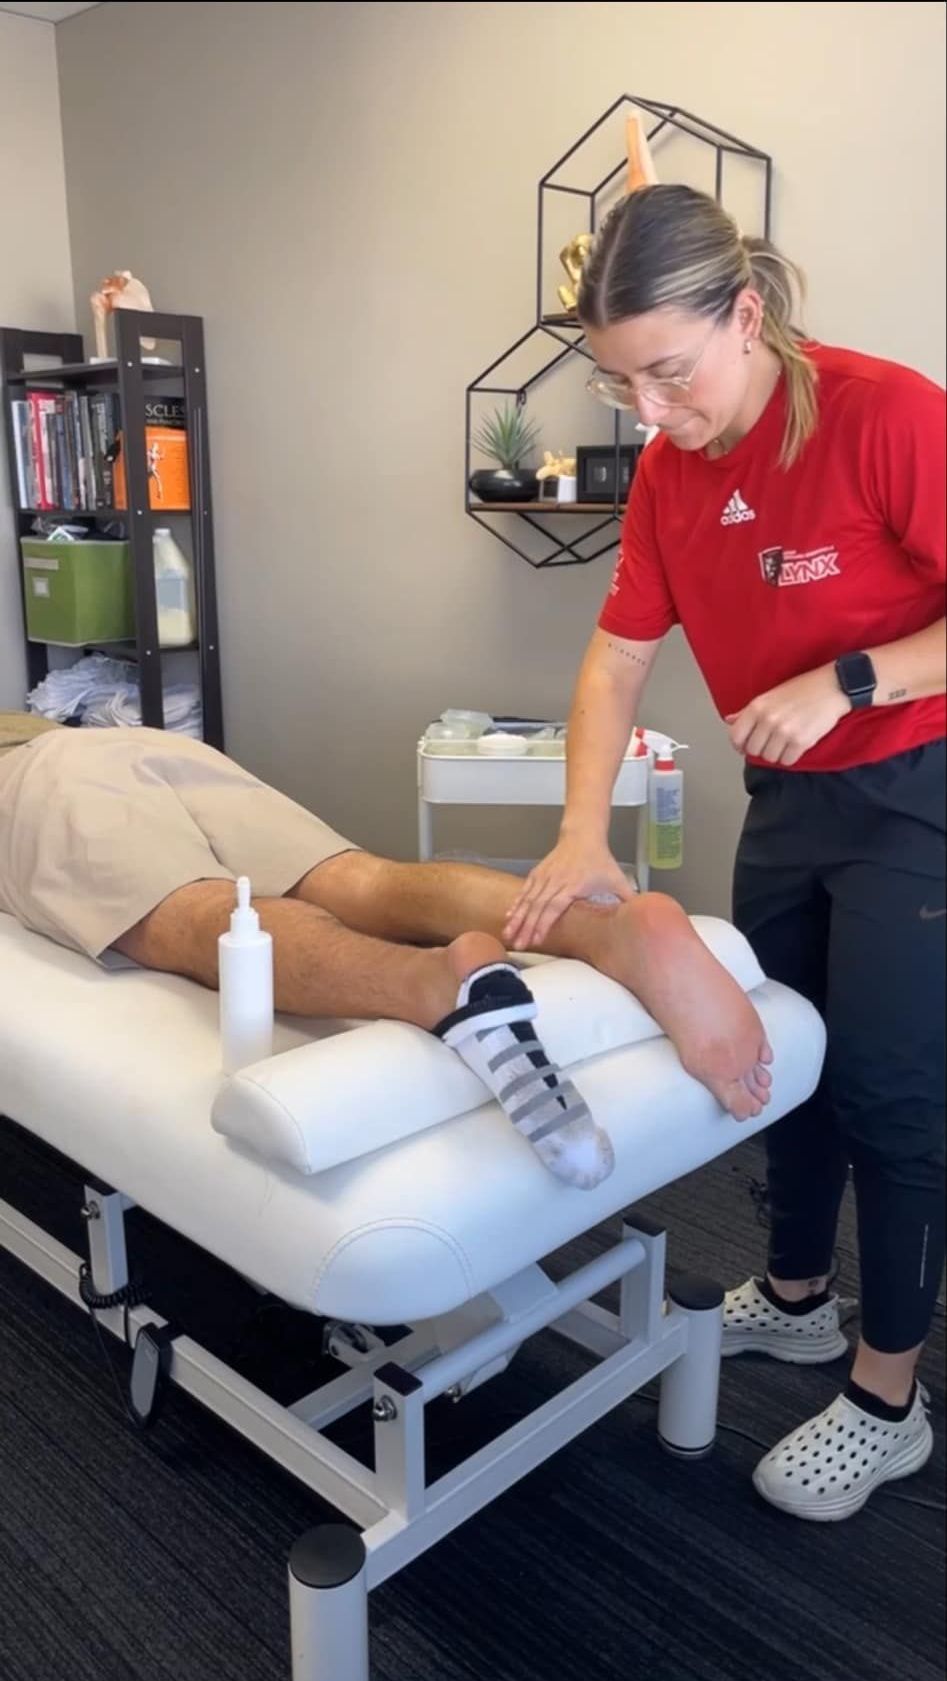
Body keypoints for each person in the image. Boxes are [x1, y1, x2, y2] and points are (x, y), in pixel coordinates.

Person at [503, 182, 945, 1520]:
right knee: (784, 1055)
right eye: (618, 380)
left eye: (667, 372)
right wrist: (579, 834)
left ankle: (887, 1396)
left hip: (916, 785)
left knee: (887, 1091)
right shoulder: (668, 474)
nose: (647, 410)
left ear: (743, 317)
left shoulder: (884, 414)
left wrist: (850, 678)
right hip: (789, 796)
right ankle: (800, 1297)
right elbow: (614, 658)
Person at [0, 711, 773, 1191]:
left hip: (36, 774)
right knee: (361, 878)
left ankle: (433, 988)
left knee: (198, 913)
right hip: (127, 741)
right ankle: (603, 929)